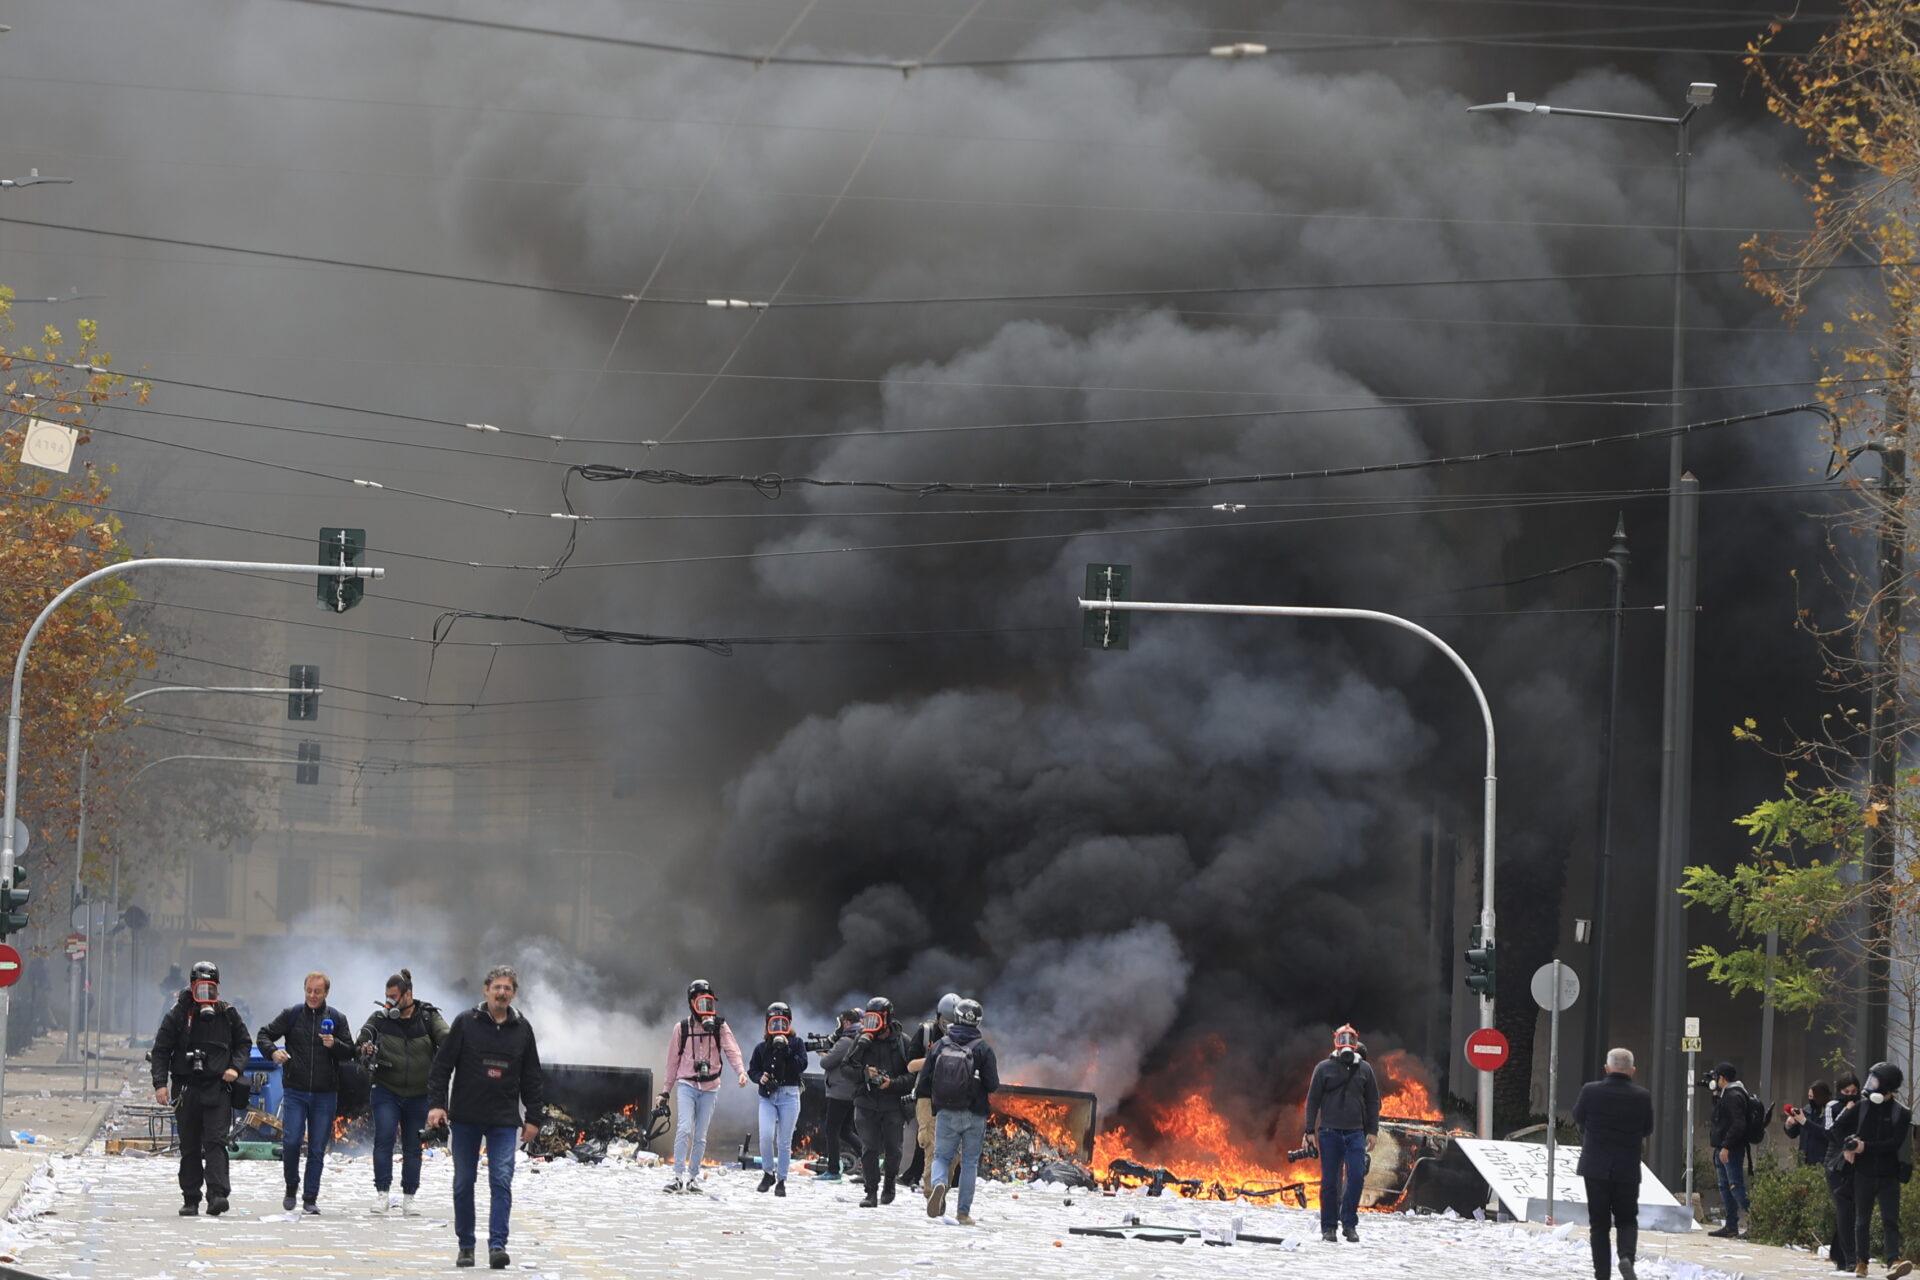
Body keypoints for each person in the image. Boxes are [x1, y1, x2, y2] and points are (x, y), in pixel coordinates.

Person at [427, 965, 544, 1271]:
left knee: (501, 1181)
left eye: (507, 988)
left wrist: (533, 1118)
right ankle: (466, 1245)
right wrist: (437, 1105)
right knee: (464, 1182)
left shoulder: (523, 1029)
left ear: (514, 993)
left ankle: (497, 1247)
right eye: (497, 987)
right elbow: (442, 1067)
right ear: (486, 989)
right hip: (466, 1117)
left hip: (504, 1120)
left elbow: (532, 1076)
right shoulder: (466, 1022)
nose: (502, 993)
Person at [151, 961, 250, 1217]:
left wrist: (235, 1069)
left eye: (211, 988)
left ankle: (217, 1195)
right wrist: (160, 1084)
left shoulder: (227, 1013)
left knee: (216, 1141)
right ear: (192, 985)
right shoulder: (178, 1014)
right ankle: (190, 1197)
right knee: (190, 1145)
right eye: (200, 988)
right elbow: (161, 1050)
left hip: (218, 1086)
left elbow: (244, 1044)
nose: (206, 994)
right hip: (186, 1087)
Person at [256, 971, 355, 1214]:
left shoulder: (337, 1018)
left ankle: (310, 1197)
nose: (312, 995)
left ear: (326, 993)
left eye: (317, 992)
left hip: (325, 1094)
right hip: (296, 1091)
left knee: (317, 1147)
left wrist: (335, 1045)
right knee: (290, 1141)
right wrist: (273, 1053)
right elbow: (263, 1035)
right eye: (309, 991)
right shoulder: (292, 1015)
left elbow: (350, 1051)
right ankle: (291, 1186)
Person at [356, 967, 450, 1216]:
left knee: (412, 1146)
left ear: (408, 995)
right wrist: (364, 1048)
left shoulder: (429, 1017)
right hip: (386, 1089)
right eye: (387, 996)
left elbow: (447, 1037)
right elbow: (363, 1037)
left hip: (420, 1093)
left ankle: (409, 1196)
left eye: (394, 996)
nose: (390, 1001)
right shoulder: (380, 1018)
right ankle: (382, 1194)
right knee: (384, 1138)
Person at [1572, 1047, 1653, 1280]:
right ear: (1633, 1070)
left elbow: (1578, 1117)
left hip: (1595, 1166)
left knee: (1599, 1224)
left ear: (1606, 1068)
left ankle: (1602, 1275)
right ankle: (1626, 1256)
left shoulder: (1590, 1091)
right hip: (1627, 1168)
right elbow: (1648, 1128)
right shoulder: (1642, 1096)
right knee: (1627, 1218)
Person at [825, 996, 914, 1208]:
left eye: (877, 1019)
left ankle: (890, 1183)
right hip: (866, 1101)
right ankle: (871, 1191)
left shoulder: (903, 1042)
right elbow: (846, 1068)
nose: (872, 1025)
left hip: (893, 1103)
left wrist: (891, 1083)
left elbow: (912, 1077)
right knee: (869, 1148)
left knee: (894, 1150)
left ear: (887, 1018)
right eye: (869, 1019)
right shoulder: (861, 1040)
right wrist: (864, 1073)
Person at [661, 979, 748, 1193]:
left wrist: (741, 1072)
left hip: (710, 1087)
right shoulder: (681, 1028)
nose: (706, 1009)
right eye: (702, 1003)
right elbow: (672, 1062)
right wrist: (665, 1091)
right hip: (687, 1085)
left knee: (700, 1135)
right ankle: (677, 1176)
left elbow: (732, 1050)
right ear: (692, 1003)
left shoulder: (720, 1026)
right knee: (683, 1129)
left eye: (709, 1003)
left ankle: (693, 1177)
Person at [1830, 1061, 1914, 1278]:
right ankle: (1861, 1262)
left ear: (1886, 1086)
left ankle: (1893, 1260)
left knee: (1890, 1219)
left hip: (1889, 1173)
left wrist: (1865, 1147)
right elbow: (1837, 1128)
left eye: (1875, 1081)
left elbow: (1894, 1143)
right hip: (1863, 1172)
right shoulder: (1862, 1106)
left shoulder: (1901, 1113)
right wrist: (1847, 1146)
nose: (1870, 1085)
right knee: (1861, 1220)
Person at [1301, 1023, 1380, 1244]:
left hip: (1355, 1134)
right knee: (1330, 1183)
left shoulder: (1365, 1069)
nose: (1347, 1044)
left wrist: (1372, 1131)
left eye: (1351, 1039)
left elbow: (1374, 1101)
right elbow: (1312, 1101)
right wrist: (1309, 1131)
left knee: (1356, 1176)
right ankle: (1329, 1228)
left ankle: (1349, 1224)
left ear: (1357, 1043)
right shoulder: (1323, 1068)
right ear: (1335, 1042)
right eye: (1343, 1039)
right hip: (1329, 1133)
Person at [924, 997, 999, 1227]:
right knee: (969, 1163)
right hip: (974, 1114)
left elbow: (926, 1079)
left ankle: (938, 1184)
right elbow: (993, 1084)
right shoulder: (983, 1049)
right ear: (977, 1020)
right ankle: (963, 1214)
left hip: (946, 1112)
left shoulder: (940, 1045)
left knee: (941, 1157)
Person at [749, 1001, 810, 1196]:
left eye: (783, 1024)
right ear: (767, 1025)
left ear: (789, 1024)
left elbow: (801, 1066)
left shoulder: (797, 1043)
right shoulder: (761, 1047)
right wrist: (761, 1078)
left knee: (784, 1141)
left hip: (789, 1095)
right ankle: (768, 1173)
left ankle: (782, 1179)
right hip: (767, 1096)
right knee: (766, 1136)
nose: (779, 1029)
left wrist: (787, 1050)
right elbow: (752, 1070)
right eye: (774, 1024)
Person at [901, 993, 960, 1190]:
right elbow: (910, 1065)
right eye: (946, 1022)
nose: (950, 1026)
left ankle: (950, 1179)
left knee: (952, 1139)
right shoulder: (926, 1033)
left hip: (954, 1094)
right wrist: (935, 1058)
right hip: (928, 1093)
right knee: (927, 1137)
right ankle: (925, 1181)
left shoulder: (965, 1036)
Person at [815, 1007, 864, 1181]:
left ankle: (833, 1170)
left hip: (839, 1093)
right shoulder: (859, 1038)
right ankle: (869, 1162)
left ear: (847, 1023)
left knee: (832, 1130)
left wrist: (823, 1054)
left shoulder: (846, 1041)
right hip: (850, 1093)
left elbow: (827, 1063)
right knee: (845, 1131)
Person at [1706, 1062, 1753, 1238]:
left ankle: (1756, 1222)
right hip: (1722, 1148)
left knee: (1735, 1187)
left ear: (1722, 1078)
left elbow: (1738, 1124)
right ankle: (1731, 1225)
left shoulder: (1733, 1095)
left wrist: (1726, 1146)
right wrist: (1715, 1096)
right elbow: (1720, 1118)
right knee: (1725, 1187)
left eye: (1716, 1077)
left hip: (1730, 1149)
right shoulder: (1728, 1094)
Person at [1823, 1074, 1862, 1274]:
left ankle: (1842, 1253)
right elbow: (1831, 1132)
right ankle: (1849, 1257)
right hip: (1836, 1163)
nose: (1850, 1096)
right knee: (1844, 1209)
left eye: (1854, 1092)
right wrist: (1846, 1112)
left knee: (1853, 1210)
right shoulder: (1833, 1106)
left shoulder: (1862, 1106)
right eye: (1846, 1092)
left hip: (1857, 1163)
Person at [1784, 1081, 1835, 1167]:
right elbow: (1793, 1133)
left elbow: (1823, 1132)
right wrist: (1789, 1124)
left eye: (1812, 1097)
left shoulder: (1829, 1111)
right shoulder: (1807, 1110)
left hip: (1820, 1160)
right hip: (1804, 1160)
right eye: (1809, 1096)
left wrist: (1804, 1121)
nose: (1810, 1099)